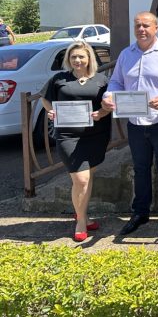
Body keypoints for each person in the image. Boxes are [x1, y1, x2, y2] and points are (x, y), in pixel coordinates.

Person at [102, 12, 158, 236]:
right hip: (135, 122)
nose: (141, 29)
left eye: (146, 25)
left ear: (156, 28)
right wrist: (108, 97)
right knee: (140, 169)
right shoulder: (126, 54)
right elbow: (116, 82)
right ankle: (140, 212)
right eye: (137, 25)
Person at [40, 41, 111, 242]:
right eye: (73, 57)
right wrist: (51, 111)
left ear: (89, 58)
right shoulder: (59, 79)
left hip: (96, 135)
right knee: (81, 179)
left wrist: (101, 112)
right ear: (68, 60)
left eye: (81, 56)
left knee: (87, 178)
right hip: (68, 136)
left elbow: (108, 105)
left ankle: (83, 215)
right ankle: (80, 222)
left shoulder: (101, 80)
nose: (77, 60)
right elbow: (45, 98)